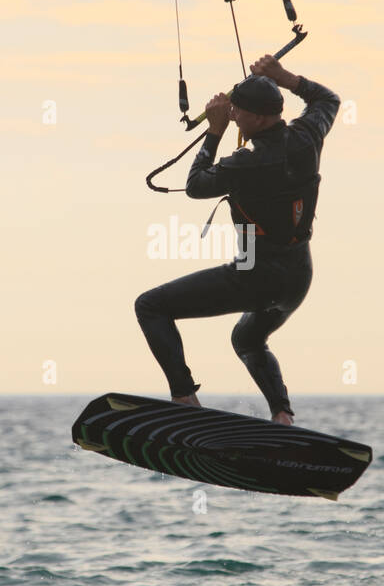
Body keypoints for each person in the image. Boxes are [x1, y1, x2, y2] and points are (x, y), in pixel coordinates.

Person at [134, 52, 340, 424]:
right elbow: (327, 100)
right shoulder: (308, 136)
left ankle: (184, 399)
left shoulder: (246, 163)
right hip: (297, 278)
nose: (232, 115)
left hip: (255, 276)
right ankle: (282, 416)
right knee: (246, 340)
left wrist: (214, 132)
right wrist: (285, 77)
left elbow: (196, 186)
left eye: (238, 111)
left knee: (150, 306)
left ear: (260, 117)